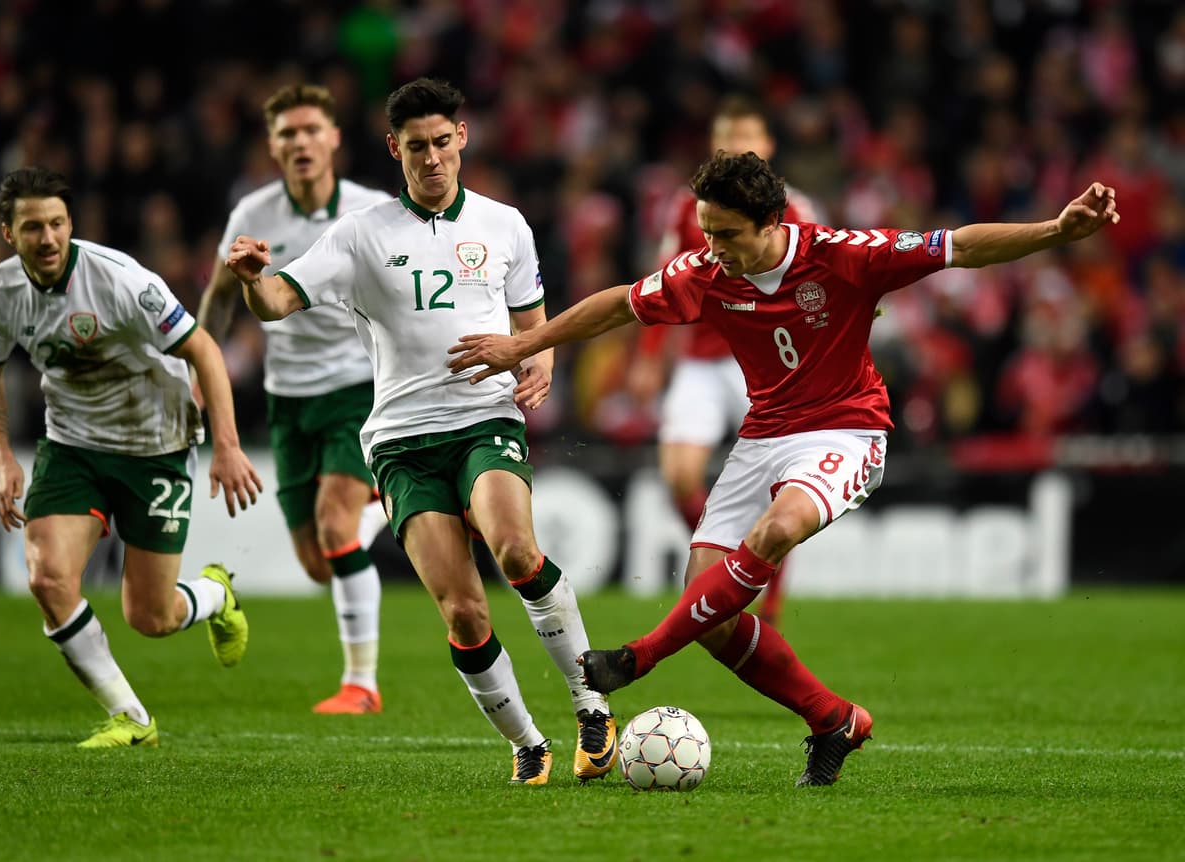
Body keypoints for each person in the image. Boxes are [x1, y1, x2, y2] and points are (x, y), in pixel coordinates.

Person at [448, 152, 1119, 786]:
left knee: (776, 529)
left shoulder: (844, 256)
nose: (713, 247)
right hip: (764, 434)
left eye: (727, 234)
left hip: (847, 431)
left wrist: (1056, 230)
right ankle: (833, 720)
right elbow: (621, 303)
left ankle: (640, 656)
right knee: (710, 612)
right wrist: (525, 342)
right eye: (707, 232)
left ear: (773, 222)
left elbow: (961, 247)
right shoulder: (705, 271)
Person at [225, 78, 618, 785]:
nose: (432, 158)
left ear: (462, 138)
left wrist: (540, 365)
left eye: (442, 142)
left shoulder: (505, 225)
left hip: (483, 418)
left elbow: (534, 326)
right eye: (416, 147)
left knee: (516, 550)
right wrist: (254, 278)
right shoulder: (359, 235)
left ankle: (591, 704)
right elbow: (279, 300)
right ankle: (528, 742)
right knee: (463, 613)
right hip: (401, 442)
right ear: (393, 149)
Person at [0, 167, 263, 748]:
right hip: (72, 444)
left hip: (156, 444)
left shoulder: (120, 280)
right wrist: (4, 459)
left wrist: (226, 445)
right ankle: (131, 717)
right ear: (8, 233)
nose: (48, 238)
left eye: (57, 223)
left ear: (70, 223)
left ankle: (215, 595)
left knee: (151, 617)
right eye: (33, 227)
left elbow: (204, 349)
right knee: (47, 578)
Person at [199, 84, 393, 715]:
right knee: (319, 563)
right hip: (288, 399)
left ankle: (361, 685)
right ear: (273, 145)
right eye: (288, 133)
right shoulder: (253, 213)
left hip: (357, 386)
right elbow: (220, 298)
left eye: (312, 130)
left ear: (334, 138)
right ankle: (390, 504)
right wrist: (198, 370)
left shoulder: (371, 210)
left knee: (336, 527)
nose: (301, 142)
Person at [628, 94, 822, 627]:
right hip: (702, 361)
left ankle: (770, 601)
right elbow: (663, 281)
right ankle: (738, 560)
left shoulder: (795, 210)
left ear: (768, 145)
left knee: (782, 490)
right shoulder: (689, 207)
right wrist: (649, 357)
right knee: (679, 475)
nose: (737, 147)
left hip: (768, 361)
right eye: (727, 138)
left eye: (746, 137)